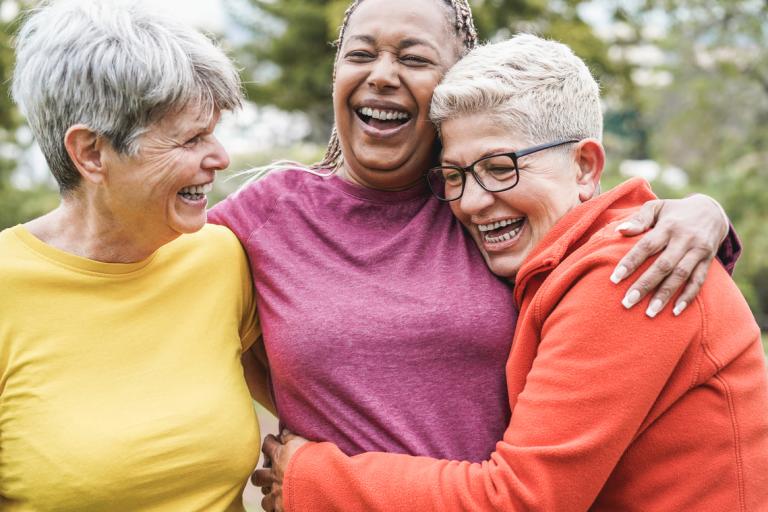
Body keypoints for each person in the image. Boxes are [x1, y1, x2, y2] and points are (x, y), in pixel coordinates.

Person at [254, 34, 768, 511]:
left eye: (501, 168)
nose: (474, 202)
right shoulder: (564, 262)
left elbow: (521, 499)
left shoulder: (627, 272)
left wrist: (309, 474)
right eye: (454, 176)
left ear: (585, 167)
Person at [1, 1, 269, 510]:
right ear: (91, 153)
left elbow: (319, 404)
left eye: (213, 131)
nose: (221, 157)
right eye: (191, 139)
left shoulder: (221, 257)